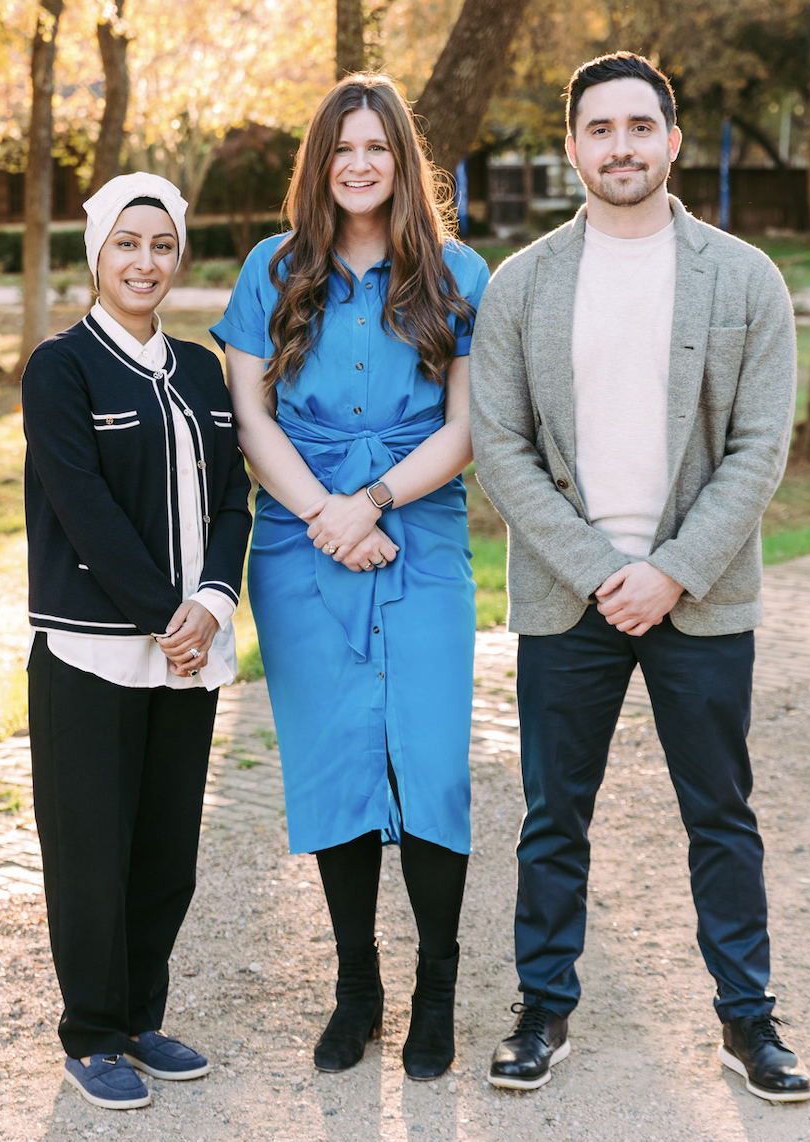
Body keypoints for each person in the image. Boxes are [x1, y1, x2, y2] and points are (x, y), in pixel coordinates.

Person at [469, 52, 810, 1102]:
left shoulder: (744, 276)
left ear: (669, 136)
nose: (619, 146)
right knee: (550, 814)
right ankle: (542, 1006)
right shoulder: (522, 284)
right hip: (564, 597)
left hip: (699, 596)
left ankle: (747, 1021)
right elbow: (499, 443)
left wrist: (666, 573)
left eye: (637, 126)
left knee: (720, 812)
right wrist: (595, 569)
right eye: (598, 129)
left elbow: (760, 447)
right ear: (571, 146)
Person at [212, 73, 490, 1081]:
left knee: (430, 763)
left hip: (419, 532)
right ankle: (357, 986)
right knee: (332, 763)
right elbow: (250, 416)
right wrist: (324, 516)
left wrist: (369, 503)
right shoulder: (271, 269)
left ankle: (438, 987)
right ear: (320, 164)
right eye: (343, 148)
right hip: (299, 541)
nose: (360, 163)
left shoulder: (458, 271)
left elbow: (466, 426)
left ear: (401, 161)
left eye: (377, 147)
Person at [22, 172, 252, 1110]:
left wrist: (211, 600)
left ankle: (143, 1016)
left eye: (162, 246)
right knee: (91, 847)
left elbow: (236, 497)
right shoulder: (60, 367)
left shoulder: (201, 370)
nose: (145, 262)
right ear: (97, 255)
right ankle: (92, 1033)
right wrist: (168, 615)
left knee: (166, 847)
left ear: (178, 257)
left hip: (188, 643)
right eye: (128, 244)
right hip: (92, 651)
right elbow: (85, 510)